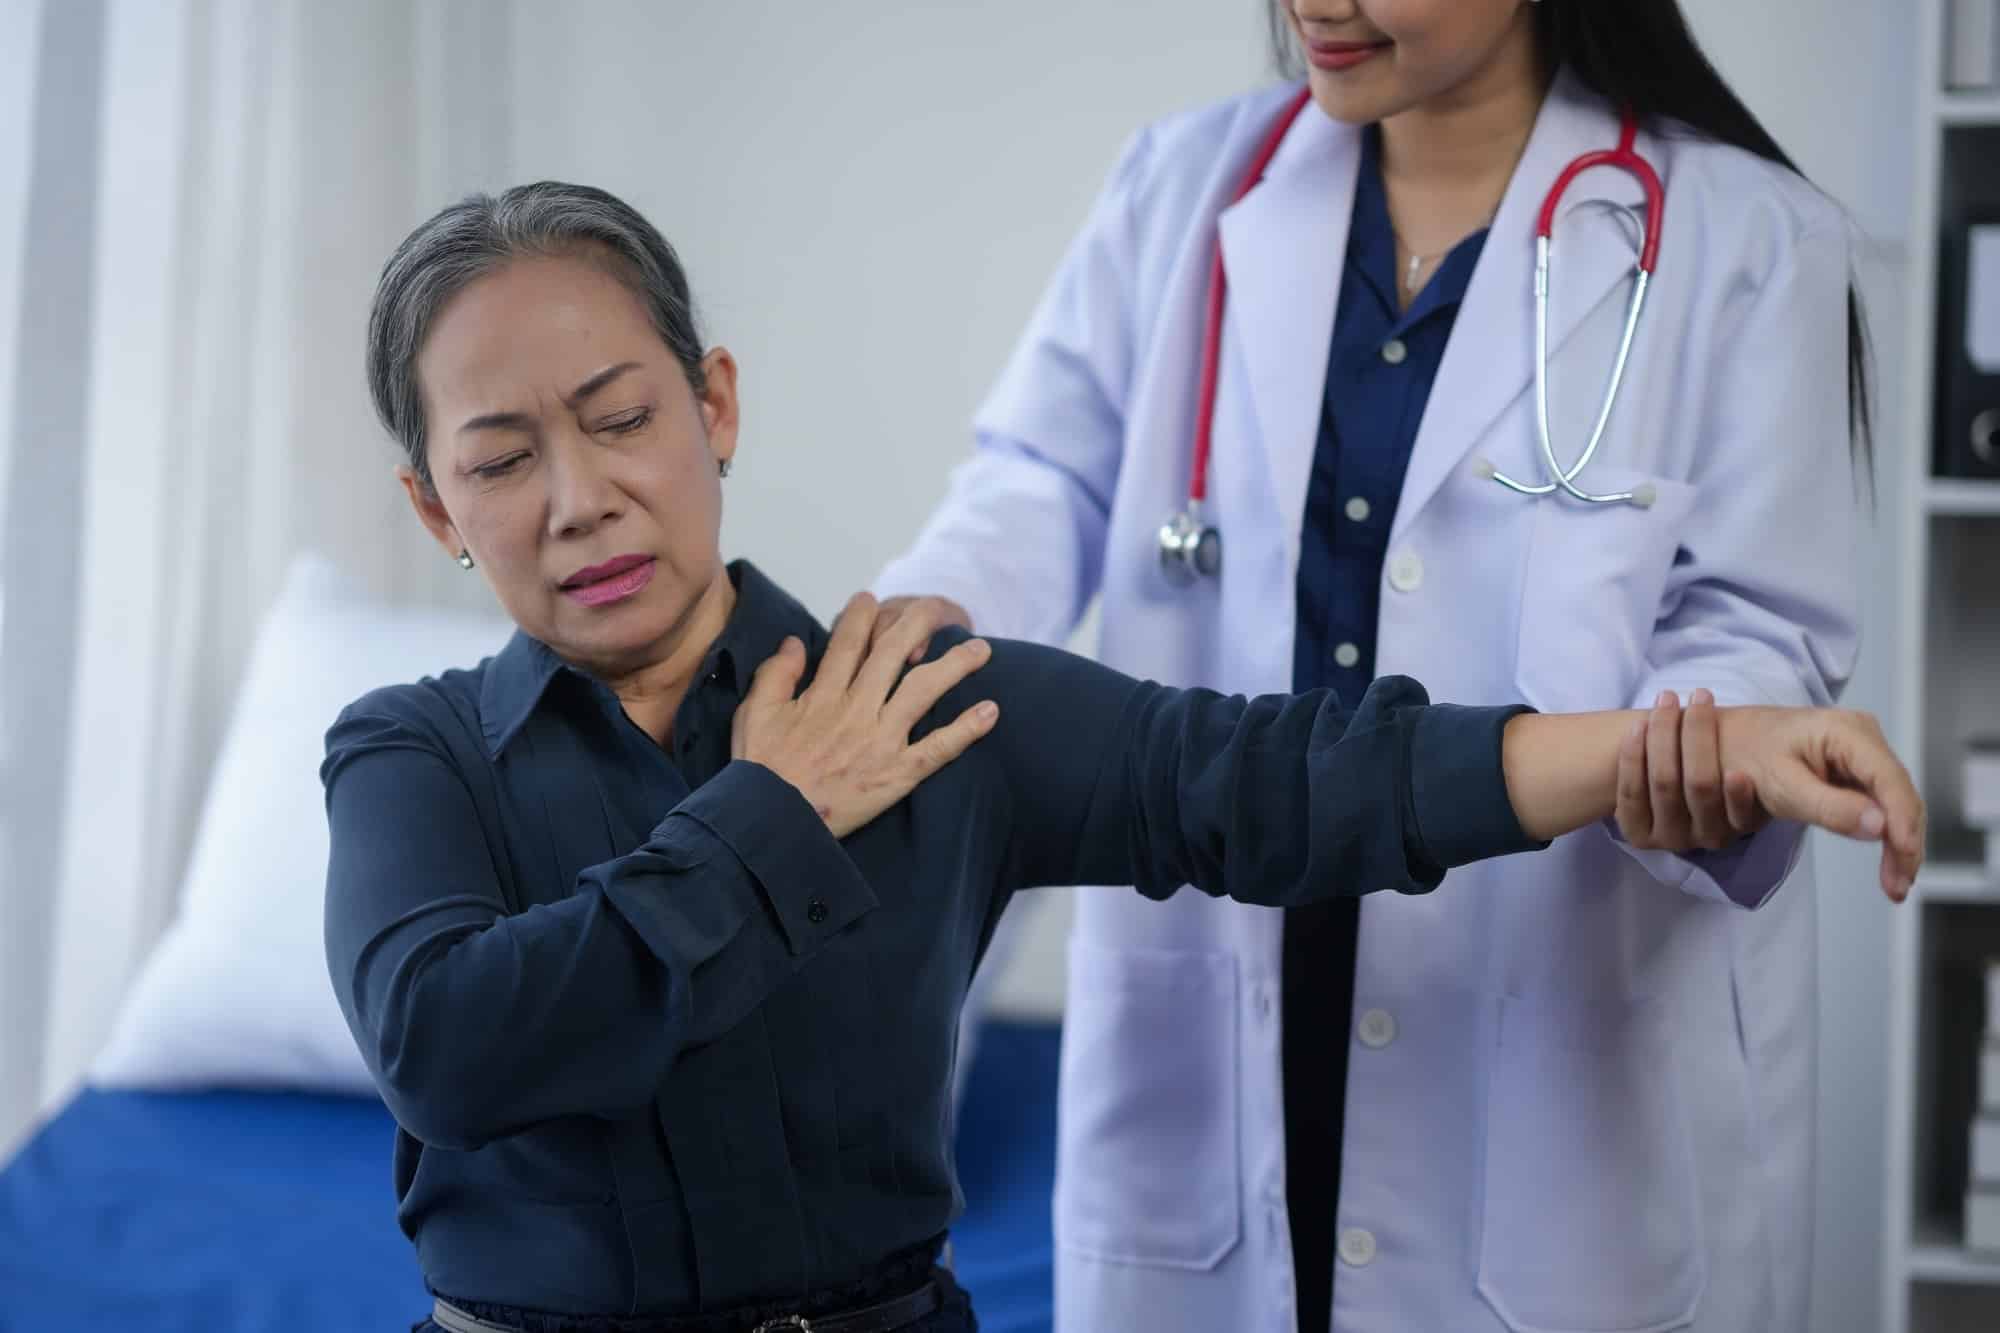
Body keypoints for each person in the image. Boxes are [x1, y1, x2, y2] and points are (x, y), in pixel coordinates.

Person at [324, 182, 1918, 1333]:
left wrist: (1680, 741)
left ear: (713, 404)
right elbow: (452, 1048)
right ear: (432, 510)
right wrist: (776, 811)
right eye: (501, 459)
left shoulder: (927, 706)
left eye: (619, 418)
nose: (580, 497)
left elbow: (1286, 781)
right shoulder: (410, 756)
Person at [869, 2, 1880, 1330]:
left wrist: (1683, 750)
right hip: (1230, 986)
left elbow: (1754, 625)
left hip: (1558, 1038)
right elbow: (1036, 478)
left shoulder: (1743, 241)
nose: (1316, 6)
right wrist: (916, 618)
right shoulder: (1185, 189)